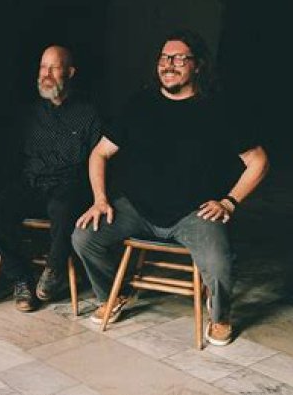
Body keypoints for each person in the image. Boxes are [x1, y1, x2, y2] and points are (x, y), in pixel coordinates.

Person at [71, 29, 269, 346]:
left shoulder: (219, 108)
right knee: (83, 237)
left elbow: (258, 161)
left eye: (179, 59)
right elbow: (100, 153)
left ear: (198, 65)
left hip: (193, 213)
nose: (168, 64)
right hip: (137, 208)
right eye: (164, 58)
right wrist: (100, 199)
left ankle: (220, 315)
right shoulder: (139, 104)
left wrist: (229, 202)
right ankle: (111, 296)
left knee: (218, 263)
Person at [0, 45, 104, 312]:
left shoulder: (89, 114)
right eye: (42, 67)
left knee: (64, 207)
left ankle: (54, 269)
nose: (46, 74)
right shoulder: (28, 113)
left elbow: (97, 160)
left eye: (54, 68)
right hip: (32, 184)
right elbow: (13, 159)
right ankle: (20, 277)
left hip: (68, 187)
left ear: (70, 72)